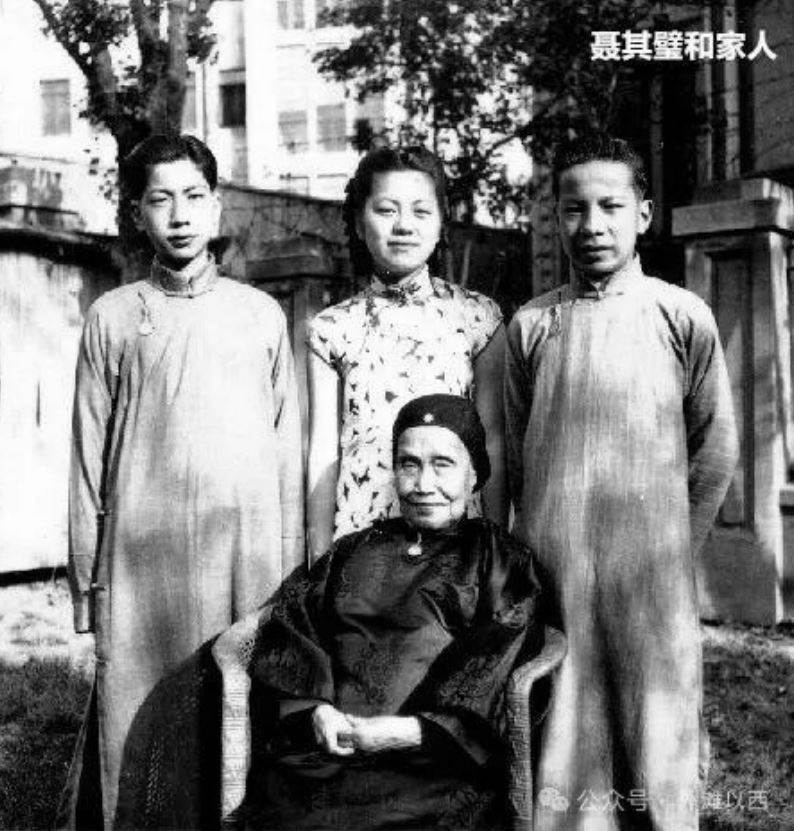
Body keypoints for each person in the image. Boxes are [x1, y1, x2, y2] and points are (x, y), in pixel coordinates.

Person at [62, 134, 304, 828]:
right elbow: (86, 460)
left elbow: (287, 454)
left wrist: (290, 578)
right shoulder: (112, 317)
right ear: (137, 213)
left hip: (244, 560)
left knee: (238, 720)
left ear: (217, 205)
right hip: (143, 563)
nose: (180, 215)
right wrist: (88, 584)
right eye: (160, 199)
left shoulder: (259, 314)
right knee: (139, 723)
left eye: (194, 196)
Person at [504, 133, 739, 830]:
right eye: (574, 209)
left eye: (610, 206)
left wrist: (672, 549)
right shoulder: (532, 325)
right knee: (565, 728)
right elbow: (514, 453)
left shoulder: (680, 315)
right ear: (556, 217)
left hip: (651, 578)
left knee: (655, 727)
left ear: (643, 213)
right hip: (557, 574)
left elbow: (715, 446)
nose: (592, 225)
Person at [238, 394, 542, 830]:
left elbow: (498, 656)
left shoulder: (496, 558)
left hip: (433, 763)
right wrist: (316, 711)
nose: (423, 484)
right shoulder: (352, 550)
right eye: (409, 464)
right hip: (327, 753)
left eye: (442, 464)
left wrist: (406, 733)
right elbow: (293, 627)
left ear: (474, 473)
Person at [306, 145, 507, 563]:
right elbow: (322, 453)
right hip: (362, 548)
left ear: (441, 222)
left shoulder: (478, 318)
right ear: (359, 222)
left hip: (456, 549)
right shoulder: (331, 329)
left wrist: (496, 550)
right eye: (386, 210)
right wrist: (320, 559)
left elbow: (493, 441)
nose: (403, 226)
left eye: (420, 211)